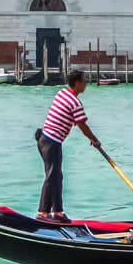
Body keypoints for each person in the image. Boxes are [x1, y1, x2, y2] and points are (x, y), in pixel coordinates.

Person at [34, 70, 101, 223]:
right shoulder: (75, 103)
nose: (86, 84)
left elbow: (78, 123)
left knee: (57, 176)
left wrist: (91, 138)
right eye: (84, 81)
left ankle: (57, 212)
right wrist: (94, 140)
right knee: (52, 176)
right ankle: (43, 213)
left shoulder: (62, 93)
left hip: (44, 139)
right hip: (51, 142)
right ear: (76, 83)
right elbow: (82, 125)